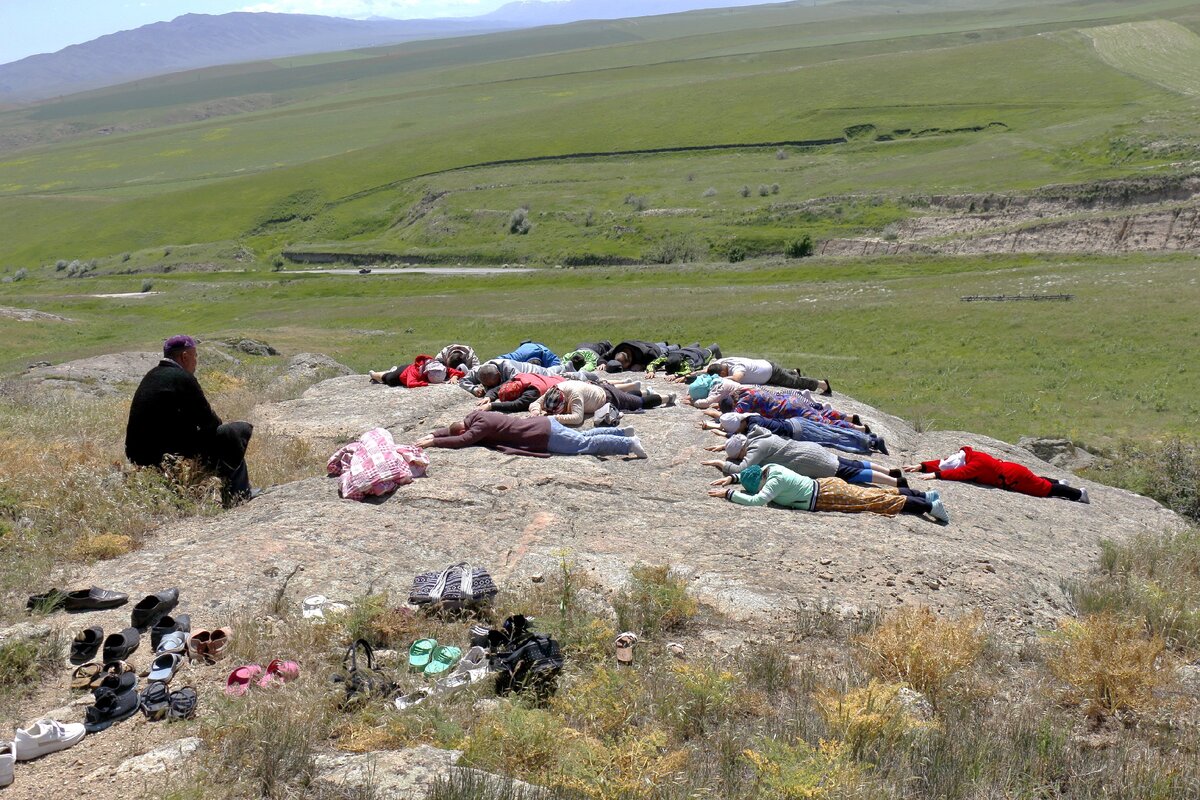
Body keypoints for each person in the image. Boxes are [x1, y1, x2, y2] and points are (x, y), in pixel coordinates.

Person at [124, 335, 257, 506]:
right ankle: (240, 494)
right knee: (233, 434)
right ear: (185, 356)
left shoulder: (151, 375)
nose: (196, 362)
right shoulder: (182, 378)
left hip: (138, 455)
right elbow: (210, 423)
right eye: (195, 356)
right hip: (164, 456)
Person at [708, 464, 949, 522]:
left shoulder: (773, 482)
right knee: (876, 494)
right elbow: (751, 473)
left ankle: (929, 507)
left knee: (877, 502)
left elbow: (757, 501)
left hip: (824, 496)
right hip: (826, 485)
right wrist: (734, 478)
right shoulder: (770, 468)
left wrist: (729, 495)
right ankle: (923, 495)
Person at [704, 427, 904, 487]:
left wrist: (722, 464)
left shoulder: (756, 449)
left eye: (740, 455)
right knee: (852, 463)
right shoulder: (759, 436)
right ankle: (890, 471)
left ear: (742, 449)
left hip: (810, 462)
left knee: (853, 474)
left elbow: (742, 469)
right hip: (813, 450)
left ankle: (896, 482)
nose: (743, 458)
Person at [415, 410, 647, 459]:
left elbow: (463, 439)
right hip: (544, 424)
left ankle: (628, 443)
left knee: (583, 445)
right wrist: (435, 433)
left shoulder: (478, 427)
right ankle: (620, 432)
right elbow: (456, 430)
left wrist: (435, 443)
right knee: (584, 435)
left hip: (542, 434)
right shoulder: (475, 417)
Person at [904, 447, 1090, 503]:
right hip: (1013, 470)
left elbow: (959, 473)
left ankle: (1079, 494)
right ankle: (1060, 482)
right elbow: (944, 462)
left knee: (1045, 489)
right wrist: (922, 466)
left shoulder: (974, 465)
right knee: (1038, 481)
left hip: (1014, 478)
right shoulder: (969, 455)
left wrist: (936, 476)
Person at [704, 412, 888, 455]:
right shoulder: (752, 417)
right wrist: (713, 426)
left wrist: (723, 443)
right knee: (833, 429)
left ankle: (871, 443)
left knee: (833, 439)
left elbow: (742, 440)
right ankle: (869, 438)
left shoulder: (753, 428)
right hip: (796, 422)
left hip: (798, 432)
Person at [705, 386, 864, 430]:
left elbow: (733, 418)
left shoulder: (743, 403)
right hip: (791, 399)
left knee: (822, 422)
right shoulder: (745, 391)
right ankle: (849, 417)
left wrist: (715, 415)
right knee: (821, 412)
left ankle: (858, 428)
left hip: (789, 410)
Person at [530, 380, 675, 427]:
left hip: (608, 397)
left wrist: (552, 418)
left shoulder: (574, 396)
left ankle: (668, 397)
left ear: (565, 401)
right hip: (597, 389)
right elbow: (535, 403)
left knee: (638, 403)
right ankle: (642, 391)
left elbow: (577, 418)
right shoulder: (553, 391)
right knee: (628, 398)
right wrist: (536, 412)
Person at [708, 357, 831, 395]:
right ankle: (793, 372)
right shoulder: (724, 362)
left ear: (722, 373)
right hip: (766, 366)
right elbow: (708, 368)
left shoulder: (737, 368)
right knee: (786, 376)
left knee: (795, 383)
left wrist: (719, 379)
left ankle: (822, 384)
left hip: (772, 374)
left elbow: (736, 379)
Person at [459, 359, 560, 399]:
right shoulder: (477, 371)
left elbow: (518, 381)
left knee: (560, 372)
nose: (492, 388)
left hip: (538, 373)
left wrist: (492, 393)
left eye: (495, 384)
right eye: (488, 386)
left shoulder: (507, 367)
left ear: (499, 374)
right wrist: (474, 389)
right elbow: (463, 380)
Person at [645, 343, 721, 380]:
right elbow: (653, 363)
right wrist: (651, 371)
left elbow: (690, 370)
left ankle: (714, 346)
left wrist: (676, 375)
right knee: (693, 346)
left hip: (699, 353)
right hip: (685, 349)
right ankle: (696, 344)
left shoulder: (687, 361)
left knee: (711, 349)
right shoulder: (667, 356)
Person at [599, 341, 667, 373]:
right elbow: (603, 357)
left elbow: (656, 359)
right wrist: (602, 363)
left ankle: (667, 344)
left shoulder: (644, 352)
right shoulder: (614, 351)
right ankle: (663, 343)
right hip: (638, 343)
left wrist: (642, 365)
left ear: (629, 360)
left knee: (667, 349)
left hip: (654, 348)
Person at [494, 341, 561, 368]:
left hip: (540, 347)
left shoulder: (549, 357)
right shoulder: (519, 356)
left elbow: (558, 368)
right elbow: (498, 360)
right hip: (527, 347)